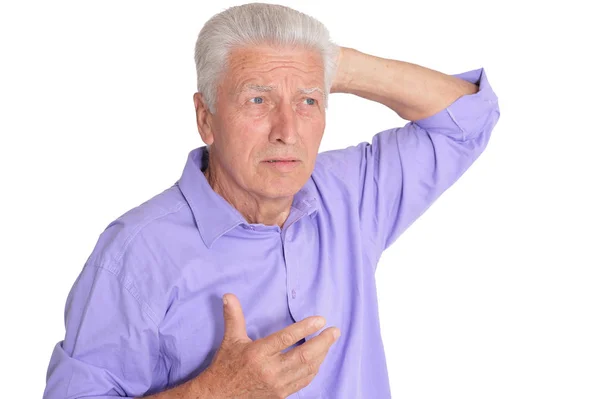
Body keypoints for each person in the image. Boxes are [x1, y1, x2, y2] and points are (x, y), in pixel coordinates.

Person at [43, 3, 500, 399]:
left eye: (307, 102)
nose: (287, 129)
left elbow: (469, 118)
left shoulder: (348, 193)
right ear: (206, 118)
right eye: (258, 99)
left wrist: (332, 66)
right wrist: (217, 392)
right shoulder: (136, 252)